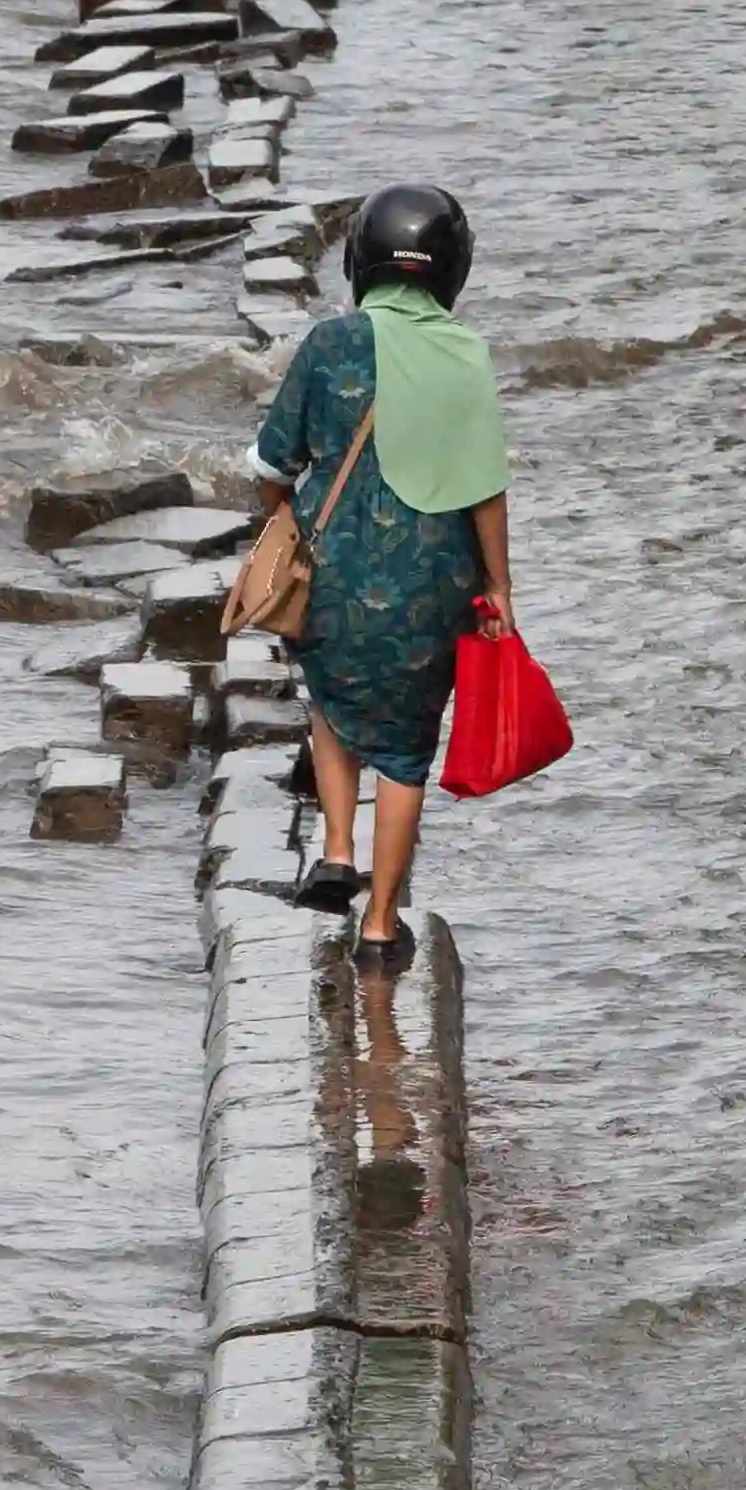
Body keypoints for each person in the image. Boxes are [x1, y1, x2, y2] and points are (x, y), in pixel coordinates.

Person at [251, 183, 516, 973]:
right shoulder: (466, 356)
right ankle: (380, 922)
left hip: (333, 566)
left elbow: (271, 461)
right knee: (404, 751)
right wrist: (498, 586)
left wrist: (286, 525)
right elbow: (486, 488)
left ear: (361, 260)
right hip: (435, 583)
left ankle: (336, 850)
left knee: (330, 696)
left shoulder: (329, 345)